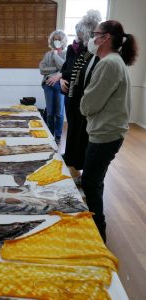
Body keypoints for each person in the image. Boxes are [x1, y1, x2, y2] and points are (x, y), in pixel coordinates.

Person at [80, 20, 138, 242]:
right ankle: (96, 230)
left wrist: (85, 103)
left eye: (95, 34)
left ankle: (97, 234)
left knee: (90, 183)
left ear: (105, 38)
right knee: (95, 180)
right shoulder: (112, 61)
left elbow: (88, 105)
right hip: (108, 132)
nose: (92, 39)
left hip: (106, 134)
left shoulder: (109, 64)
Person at [60, 10, 101, 179]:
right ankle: (69, 156)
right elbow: (66, 68)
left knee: (81, 129)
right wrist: (62, 79)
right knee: (72, 126)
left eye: (79, 32)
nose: (76, 35)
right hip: (69, 93)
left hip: (81, 95)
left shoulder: (91, 52)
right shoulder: (72, 49)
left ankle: (78, 162)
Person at [39, 29, 67, 144]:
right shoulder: (47, 55)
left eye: (59, 39)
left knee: (59, 112)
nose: (56, 42)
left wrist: (56, 56)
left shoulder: (66, 54)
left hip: (60, 85)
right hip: (48, 85)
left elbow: (65, 68)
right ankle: (50, 134)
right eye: (55, 39)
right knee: (50, 112)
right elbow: (42, 69)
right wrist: (56, 70)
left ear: (63, 41)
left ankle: (58, 136)